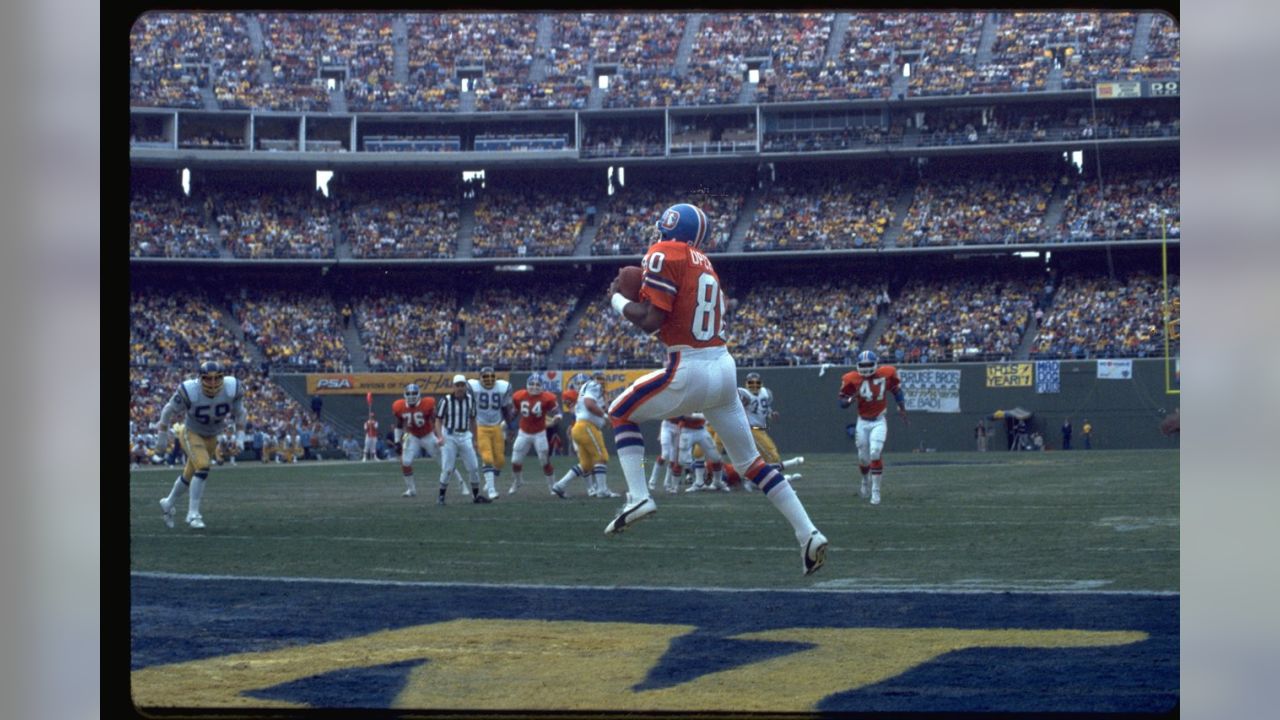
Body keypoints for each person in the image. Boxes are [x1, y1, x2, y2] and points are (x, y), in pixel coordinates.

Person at [603, 202, 828, 575]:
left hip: (689, 366)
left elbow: (649, 321)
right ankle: (808, 533)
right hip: (723, 366)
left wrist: (616, 298)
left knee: (619, 412)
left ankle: (639, 496)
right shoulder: (704, 263)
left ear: (667, 229)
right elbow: (672, 321)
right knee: (751, 462)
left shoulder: (663, 252)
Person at [155, 360, 247, 530]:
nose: (212, 383)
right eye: (208, 379)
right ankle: (193, 514)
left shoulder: (231, 388)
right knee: (203, 467)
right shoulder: (190, 391)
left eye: (217, 378)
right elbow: (167, 411)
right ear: (200, 378)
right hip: (191, 432)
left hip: (212, 436)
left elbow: (240, 413)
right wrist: (162, 436)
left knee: (190, 474)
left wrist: (240, 437)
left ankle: (168, 503)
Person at [839, 350, 908, 505]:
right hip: (862, 422)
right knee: (863, 458)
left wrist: (902, 408)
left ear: (875, 364)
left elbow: (896, 391)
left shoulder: (886, 373)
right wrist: (850, 400)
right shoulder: (851, 378)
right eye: (863, 365)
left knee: (875, 452)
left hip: (878, 420)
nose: (865, 368)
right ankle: (865, 480)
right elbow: (841, 402)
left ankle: (876, 492)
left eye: (869, 365)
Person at [551, 369, 619, 498]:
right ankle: (602, 490)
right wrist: (605, 417)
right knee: (601, 457)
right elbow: (589, 404)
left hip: (580, 428)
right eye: (598, 379)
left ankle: (559, 486)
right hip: (587, 427)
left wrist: (604, 419)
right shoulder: (593, 386)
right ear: (593, 379)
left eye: (602, 379)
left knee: (586, 464)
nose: (600, 382)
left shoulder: (585, 391)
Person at [392, 383, 462, 498]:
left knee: (444, 461)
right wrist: (396, 441)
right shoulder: (399, 406)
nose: (411, 396)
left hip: (428, 435)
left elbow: (437, 420)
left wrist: (441, 435)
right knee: (406, 462)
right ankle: (411, 489)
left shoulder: (427, 403)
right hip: (413, 436)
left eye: (414, 393)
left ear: (419, 394)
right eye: (409, 393)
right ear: (404, 394)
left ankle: (460, 482)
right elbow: (399, 424)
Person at [434, 374, 488, 504]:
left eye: (462, 385)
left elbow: (473, 420)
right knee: (447, 468)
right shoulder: (446, 400)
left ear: (465, 386)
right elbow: (438, 420)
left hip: (465, 435)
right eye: (457, 385)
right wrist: (440, 436)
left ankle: (476, 496)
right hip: (449, 436)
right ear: (453, 386)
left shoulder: (471, 400)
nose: (460, 388)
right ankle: (441, 496)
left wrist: (475, 439)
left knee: (473, 467)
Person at [508, 374, 562, 495]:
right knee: (515, 460)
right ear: (527, 385)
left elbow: (556, 410)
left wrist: (558, 416)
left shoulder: (547, 397)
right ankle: (517, 481)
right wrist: (507, 421)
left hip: (539, 433)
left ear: (542, 386)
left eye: (537, 385)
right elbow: (515, 411)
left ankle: (552, 486)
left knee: (544, 461)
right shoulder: (519, 396)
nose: (534, 387)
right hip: (523, 433)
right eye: (532, 384)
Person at [468, 366, 514, 498]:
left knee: (500, 461)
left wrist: (510, 426)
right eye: (485, 377)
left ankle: (490, 482)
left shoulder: (502, 388)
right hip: (480, 426)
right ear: (479, 378)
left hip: (496, 427)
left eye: (491, 377)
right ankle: (491, 490)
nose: (489, 380)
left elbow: (505, 409)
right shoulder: (474, 387)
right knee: (487, 458)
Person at [675, 413, 729, 492]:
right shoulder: (681, 401)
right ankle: (676, 486)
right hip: (686, 431)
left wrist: (696, 416)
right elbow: (677, 415)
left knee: (715, 457)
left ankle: (717, 482)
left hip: (702, 430)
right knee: (682, 460)